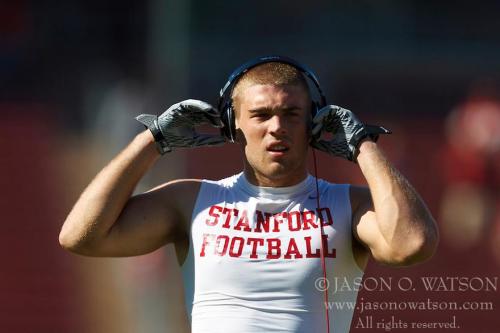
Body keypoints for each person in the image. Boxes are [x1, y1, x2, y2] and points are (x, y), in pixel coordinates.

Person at [59, 56, 439, 333]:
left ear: (314, 123)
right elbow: (80, 236)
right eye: (260, 115)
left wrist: (362, 145)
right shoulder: (191, 201)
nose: (277, 127)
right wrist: (154, 139)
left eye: (292, 114)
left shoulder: (349, 205)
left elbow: (412, 243)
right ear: (232, 124)